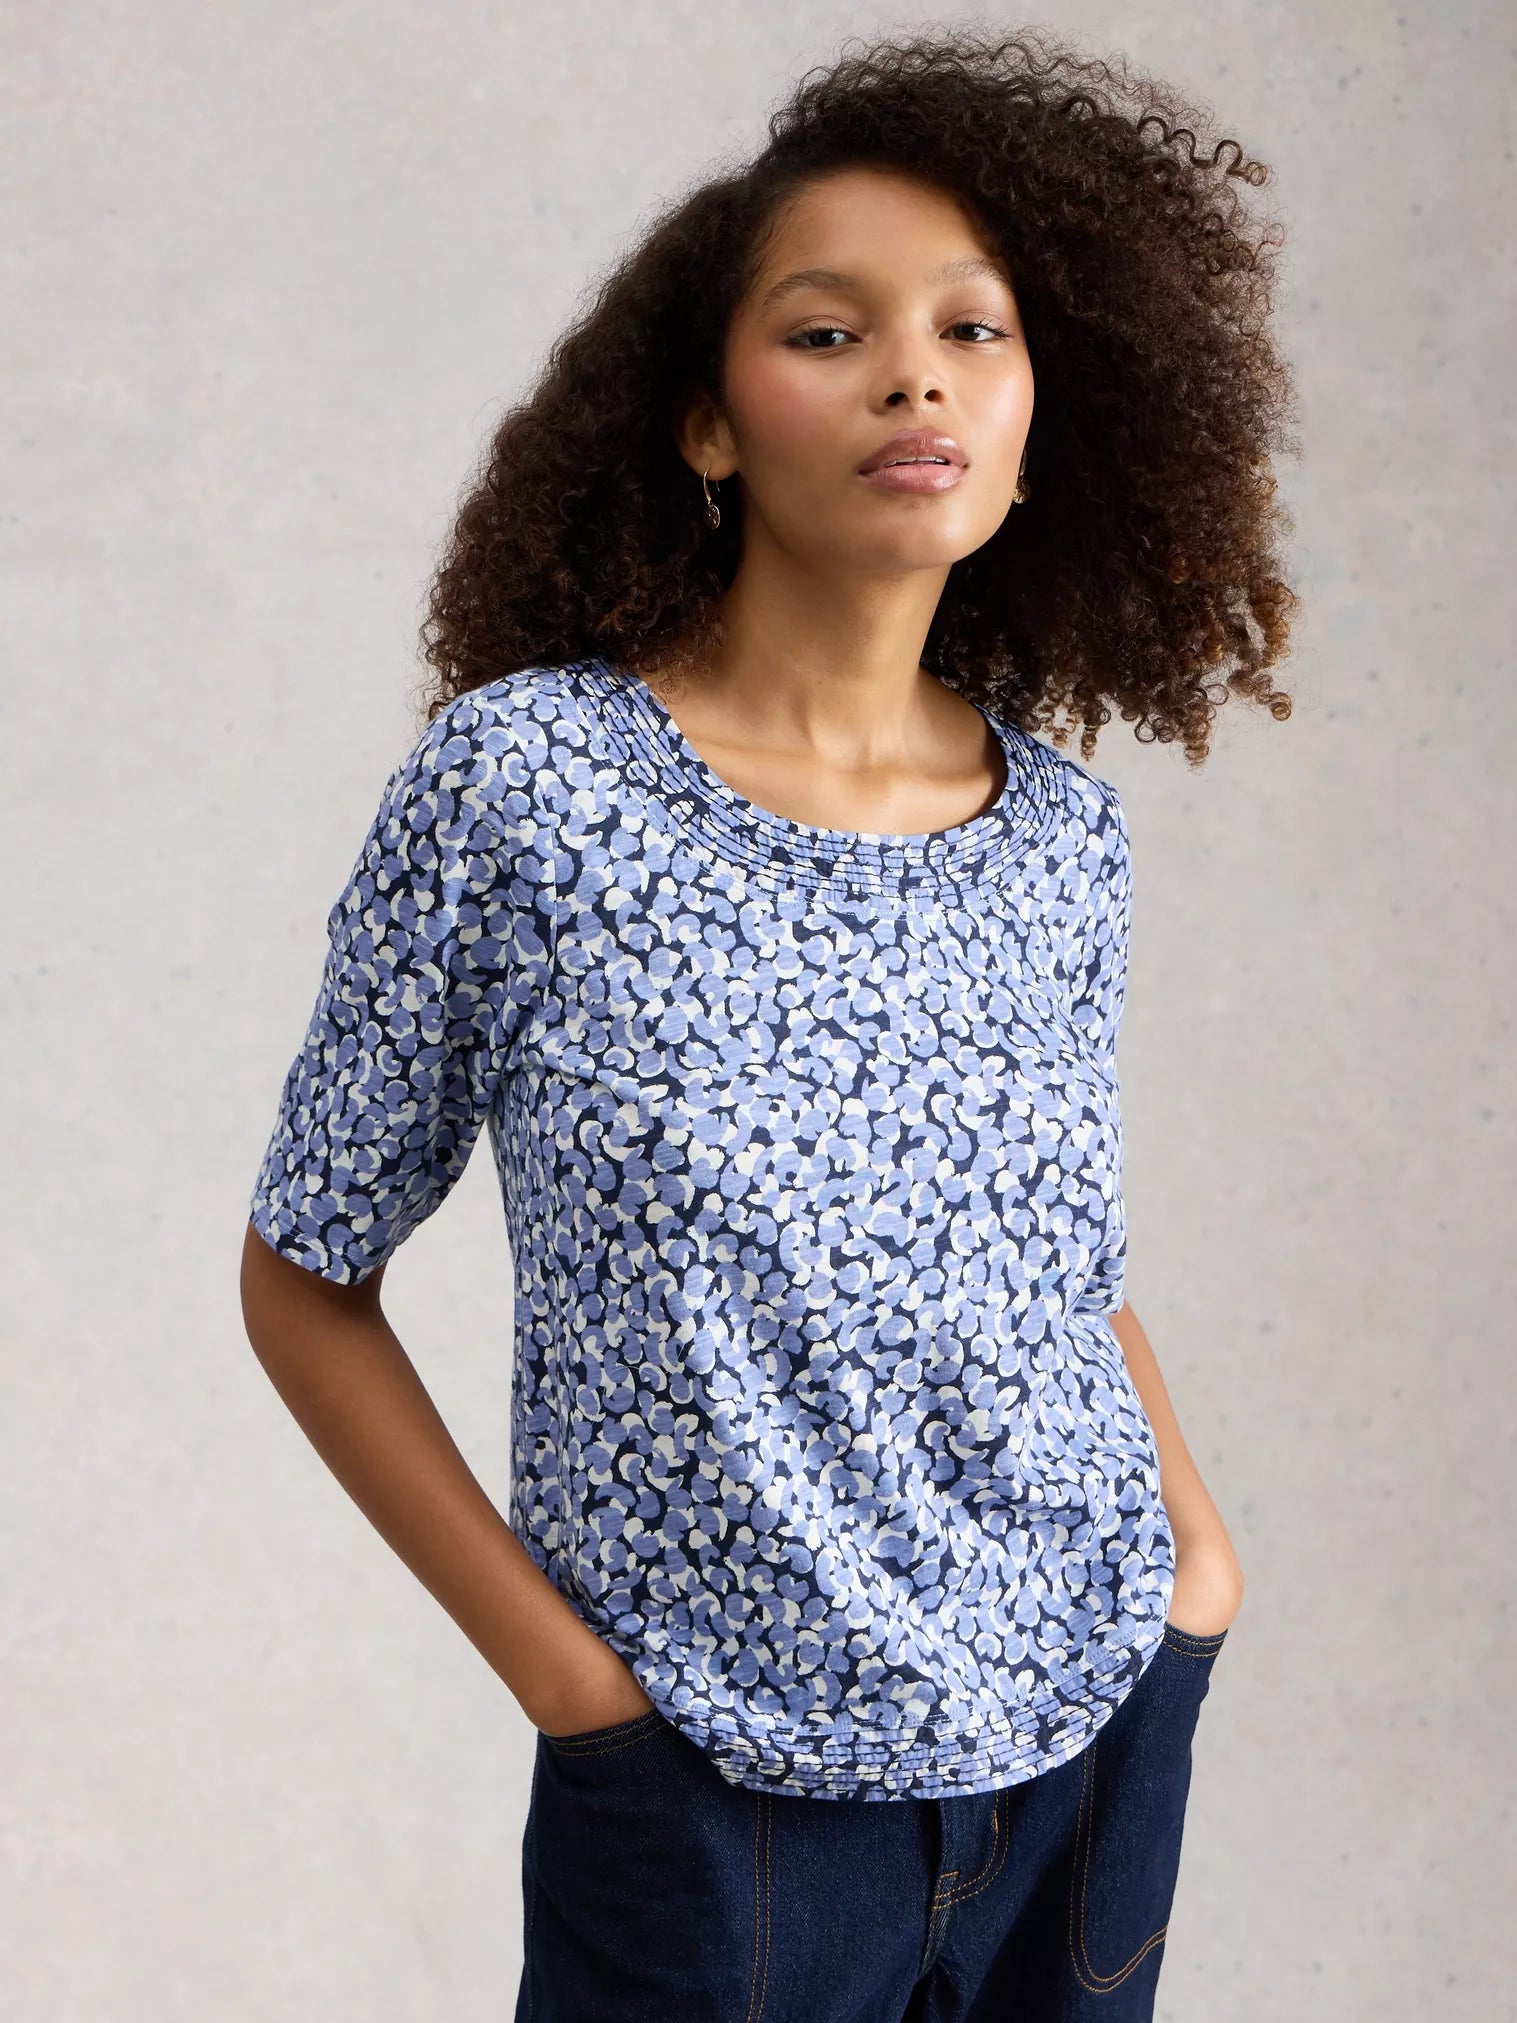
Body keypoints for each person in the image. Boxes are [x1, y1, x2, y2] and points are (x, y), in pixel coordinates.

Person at [240, 26, 1297, 2021]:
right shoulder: (528, 790)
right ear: (706, 426)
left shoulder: (1062, 838)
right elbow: (304, 1274)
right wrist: (580, 1693)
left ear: (1037, 425)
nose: (916, 376)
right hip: (712, 1804)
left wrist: (1195, 1572)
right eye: (829, 332)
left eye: (973, 330)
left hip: (1087, 1744)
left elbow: (1067, 1270)